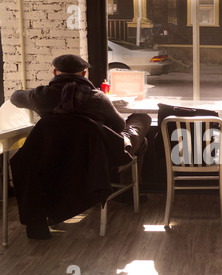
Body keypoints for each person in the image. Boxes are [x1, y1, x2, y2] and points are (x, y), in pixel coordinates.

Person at [9, 54, 151, 239]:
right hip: (94, 158)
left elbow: (14, 97)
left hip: (55, 157)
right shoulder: (97, 97)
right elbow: (119, 127)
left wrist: (37, 92)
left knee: (139, 141)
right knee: (142, 120)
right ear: (84, 73)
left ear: (54, 72)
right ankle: (125, 193)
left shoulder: (40, 96)